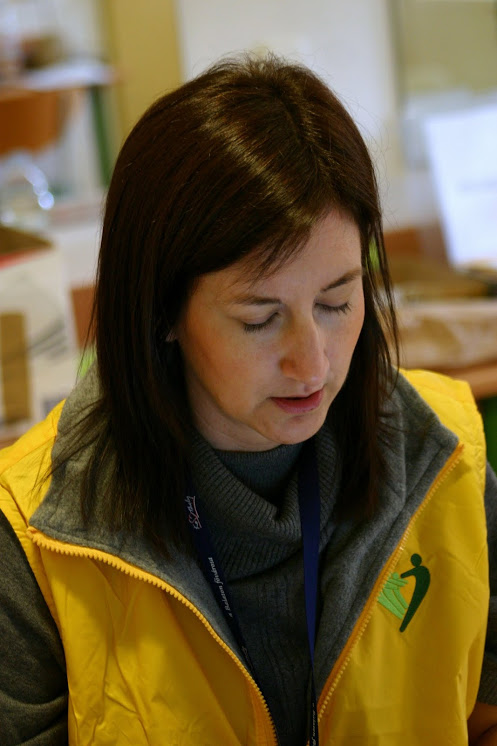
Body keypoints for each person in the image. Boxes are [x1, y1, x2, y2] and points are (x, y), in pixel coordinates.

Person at [1, 54, 497, 746]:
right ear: (161, 312)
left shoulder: (446, 459)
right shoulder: (33, 535)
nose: (312, 363)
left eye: (337, 301)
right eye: (259, 319)